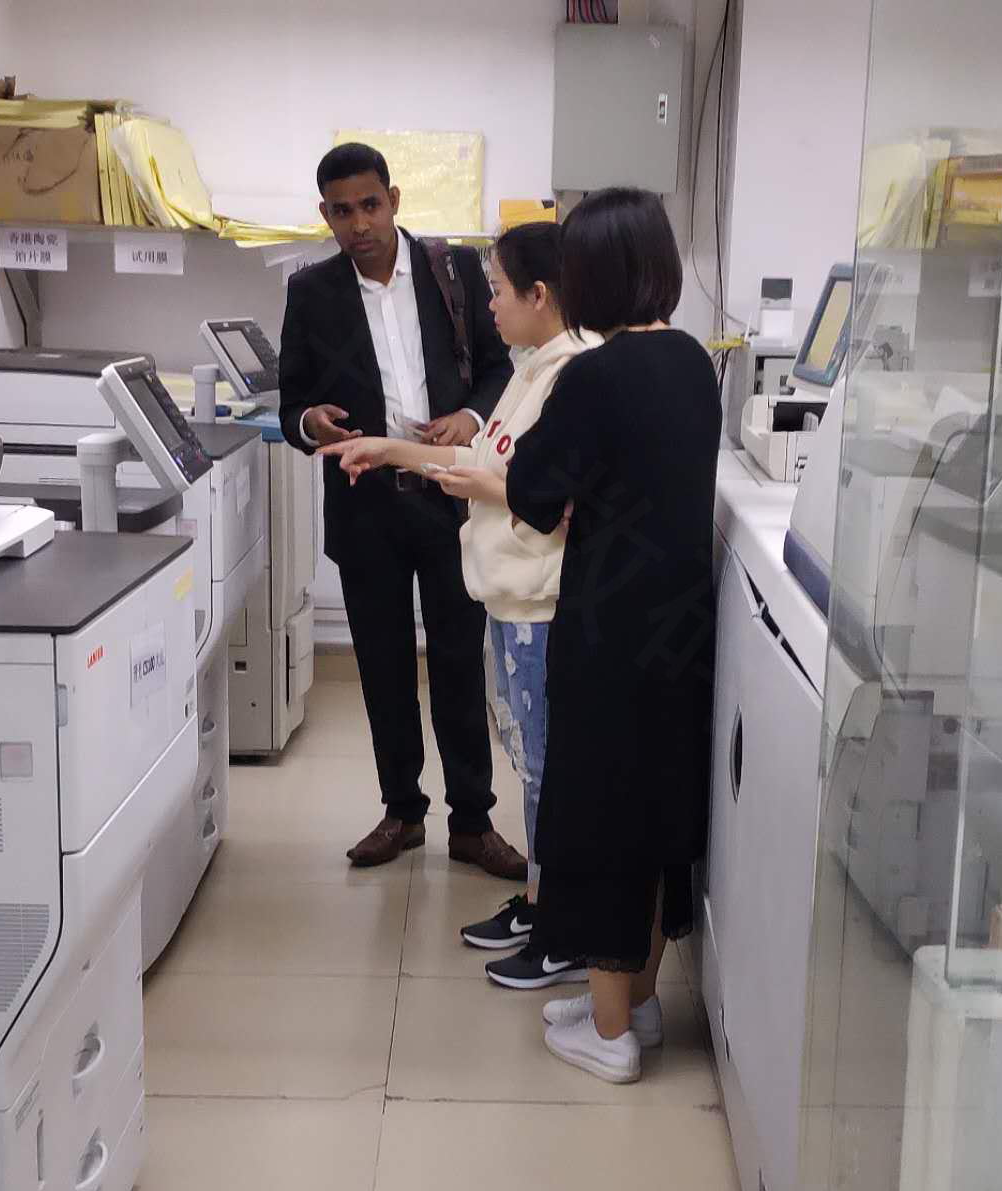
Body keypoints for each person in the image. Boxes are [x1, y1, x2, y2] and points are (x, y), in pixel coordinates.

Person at [330, 223, 600, 988]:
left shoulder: (574, 374)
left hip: (541, 605)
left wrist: (481, 485)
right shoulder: (529, 369)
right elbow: (485, 458)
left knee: (547, 773)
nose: (489, 305)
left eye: (499, 290)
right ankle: (542, 901)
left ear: (538, 295)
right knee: (533, 767)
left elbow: (554, 496)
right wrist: (393, 450)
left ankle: (560, 925)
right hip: (510, 601)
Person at [503, 187, 721, 1084]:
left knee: (597, 819)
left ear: (589, 276)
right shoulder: (694, 363)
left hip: (608, 631)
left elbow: (531, 493)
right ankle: (638, 1004)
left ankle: (607, 1034)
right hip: (682, 627)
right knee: (658, 813)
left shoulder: (593, 376)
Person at [279, 142, 526, 879]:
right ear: (325, 215)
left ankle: (473, 822)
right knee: (383, 667)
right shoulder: (311, 291)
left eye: (370, 205)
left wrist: (470, 419)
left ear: (393, 199)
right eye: (341, 212)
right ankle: (402, 812)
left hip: (450, 498)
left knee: (458, 664)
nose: (358, 224)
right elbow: (292, 401)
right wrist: (310, 423)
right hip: (365, 507)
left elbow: (497, 369)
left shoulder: (454, 271)